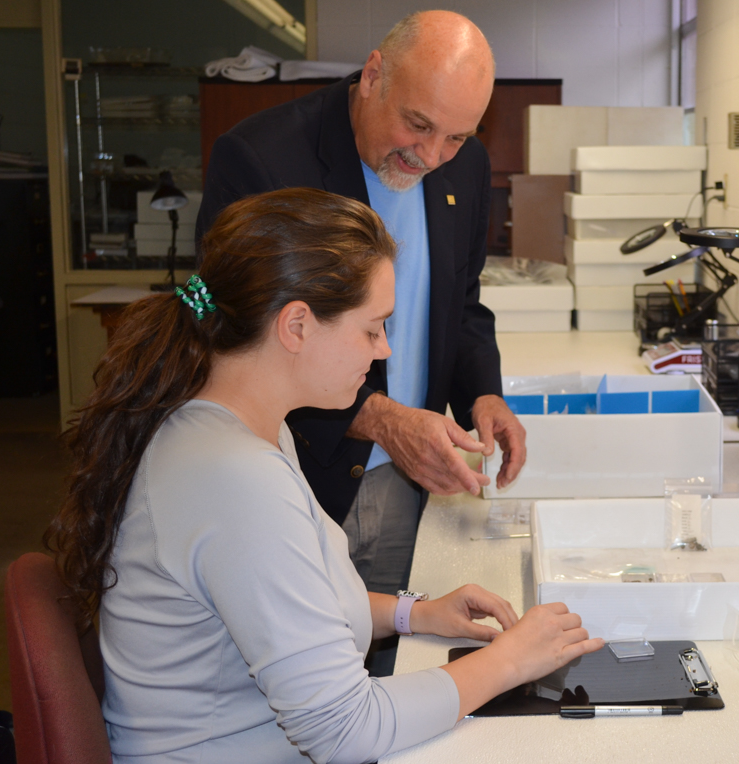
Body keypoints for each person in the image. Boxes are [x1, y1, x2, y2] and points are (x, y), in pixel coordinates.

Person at [44, 188, 602, 763]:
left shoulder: (240, 425)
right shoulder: (234, 479)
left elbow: (299, 603)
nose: (383, 349)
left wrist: (416, 612)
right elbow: (343, 730)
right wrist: (511, 662)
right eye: (372, 328)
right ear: (296, 326)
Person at [196, 11, 525, 646]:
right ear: (374, 75)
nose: (430, 157)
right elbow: (206, 312)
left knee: (387, 658)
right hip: (298, 477)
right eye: (418, 124)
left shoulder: (467, 165)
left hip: (413, 477)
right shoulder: (260, 157)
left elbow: (461, 302)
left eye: (454, 137)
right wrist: (379, 418)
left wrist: (484, 393)